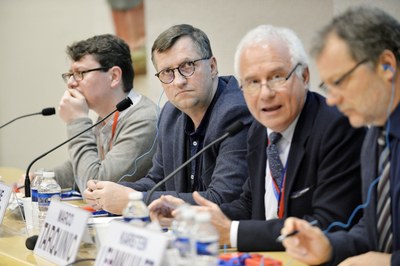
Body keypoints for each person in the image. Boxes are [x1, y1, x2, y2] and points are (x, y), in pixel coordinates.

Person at [149, 24, 366, 252]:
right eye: (252, 82)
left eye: (276, 77)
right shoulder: (260, 130)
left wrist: (232, 233)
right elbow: (249, 205)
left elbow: (327, 224)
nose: (265, 93)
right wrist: (191, 215)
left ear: (304, 76)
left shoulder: (336, 127)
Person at [83, 24, 253, 214]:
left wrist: (132, 200)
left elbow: (221, 199)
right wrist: (112, 191)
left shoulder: (236, 113)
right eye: (167, 72)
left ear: (212, 67)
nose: (179, 81)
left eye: (187, 66)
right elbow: (158, 180)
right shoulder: (171, 114)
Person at [281, 6, 400, 266]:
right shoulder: (375, 135)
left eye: (341, 81)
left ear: (387, 66)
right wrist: (329, 247)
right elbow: (374, 230)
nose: (332, 100)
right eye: (327, 86)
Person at [47, 34, 158, 193]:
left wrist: (77, 122)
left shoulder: (144, 119)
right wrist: (41, 178)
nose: (71, 83)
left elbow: (95, 186)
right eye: (70, 75)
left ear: (114, 76)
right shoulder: (107, 116)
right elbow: (79, 169)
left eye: (80, 73)